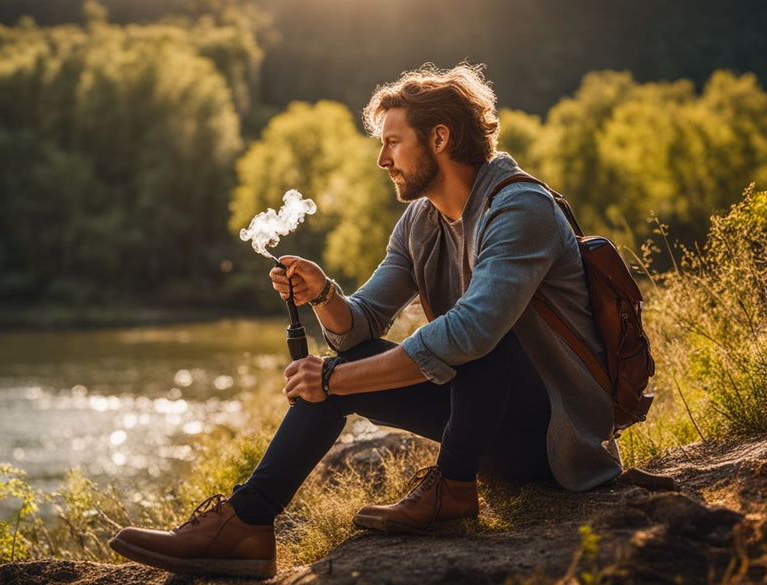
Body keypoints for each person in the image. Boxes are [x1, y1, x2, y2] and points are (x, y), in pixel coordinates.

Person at [108, 63, 621, 578]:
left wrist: (332, 378)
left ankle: (452, 489)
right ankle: (246, 524)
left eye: (393, 142)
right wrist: (323, 293)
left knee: (476, 341)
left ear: (440, 137)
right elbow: (361, 325)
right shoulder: (421, 221)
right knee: (351, 362)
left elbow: (472, 332)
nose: (383, 159)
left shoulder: (519, 207)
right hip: (496, 430)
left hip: (556, 444)